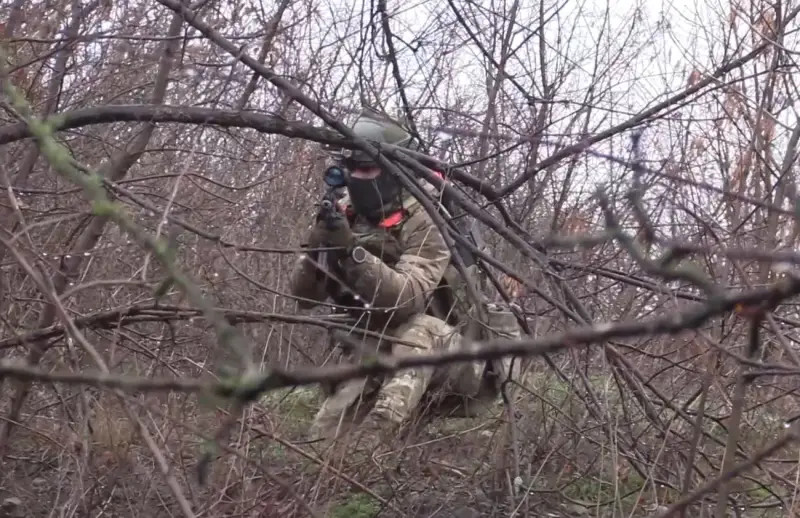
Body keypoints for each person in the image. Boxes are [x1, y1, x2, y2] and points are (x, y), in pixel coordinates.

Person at [288, 108, 520, 447]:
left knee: (421, 331)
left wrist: (353, 252)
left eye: (367, 167)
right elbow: (304, 298)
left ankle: (374, 440)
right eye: (352, 168)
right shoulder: (346, 210)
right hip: (379, 346)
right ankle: (342, 457)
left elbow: (405, 300)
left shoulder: (428, 218)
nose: (358, 177)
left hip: (460, 355)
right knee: (324, 441)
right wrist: (320, 241)